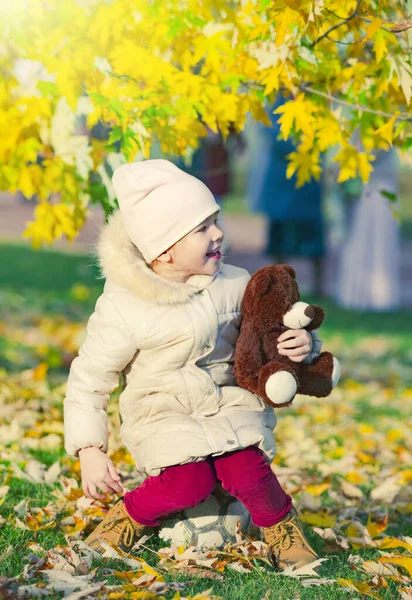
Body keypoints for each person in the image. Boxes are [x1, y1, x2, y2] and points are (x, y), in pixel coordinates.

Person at [63, 159, 323, 570]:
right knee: (188, 483)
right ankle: (128, 517)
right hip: (162, 413)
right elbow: (90, 379)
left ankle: (281, 528)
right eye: (202, 228)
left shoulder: (235, 284)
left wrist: (301, 344)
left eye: (215, 220)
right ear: (164, 251)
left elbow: (272, 331)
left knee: (247, 467)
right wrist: (90, 448)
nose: (218, 232)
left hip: (226, 403)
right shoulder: (124, 306)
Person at [247, 96, 326, 296]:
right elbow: (267, 129)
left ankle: (318, 286)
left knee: (312, 236)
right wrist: (299, 146)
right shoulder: (275, 99)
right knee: (280, 237)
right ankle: (281, 285)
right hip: (282, 183)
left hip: (307, 183)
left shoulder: (315, 97)